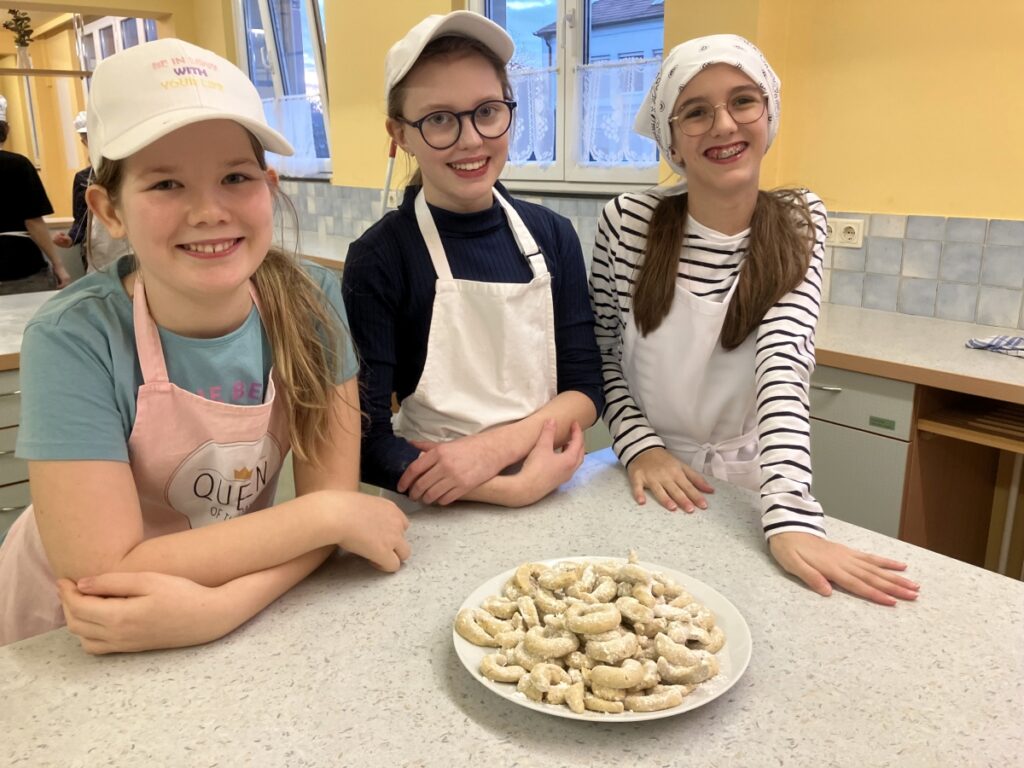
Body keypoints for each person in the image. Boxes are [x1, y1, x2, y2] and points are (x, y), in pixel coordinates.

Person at [0, 38, 411, 652]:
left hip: (214, 608)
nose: (208, 210)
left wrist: (223, 608)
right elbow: (103, 572)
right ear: (107, 208)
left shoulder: (311, 302)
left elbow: (332, 523)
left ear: (269, 187)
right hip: (77, 631)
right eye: (166, 184)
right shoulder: (76, 339)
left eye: (235, 177)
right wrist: (323, 516)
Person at [590, 35, 919, 606]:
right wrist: (641, 447)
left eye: (743, 101)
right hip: (644, 474)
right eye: (695, 111)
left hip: (748, 486)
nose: (723, 125)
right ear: (672, 140)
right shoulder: (630, 221)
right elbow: (606, 356)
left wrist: (790, 519)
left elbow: (784, 362)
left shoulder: (800, 220)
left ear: (768, 113)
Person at [342, 12, 603, 508]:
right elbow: (364, 441)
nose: (470, 139)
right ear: (399, 134)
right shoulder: (379, 259)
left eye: (487, 111)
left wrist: (493, 451)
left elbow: (587, 389)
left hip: (550, 491)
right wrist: (507, 487)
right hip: (433, 501)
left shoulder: (553, 236)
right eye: (439, 119)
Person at [0, 95, 73, 292]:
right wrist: (59, 265)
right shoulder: (18, 165)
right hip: (20, 268)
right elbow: (33, 221)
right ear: (5, 129)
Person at [52, 110, 132, 272]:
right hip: (100, 260)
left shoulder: (132, 173)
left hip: (135, 254)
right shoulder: (83, 179)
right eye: (89, 138)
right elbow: (80, 222)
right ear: (84, 142)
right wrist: (69, 239)